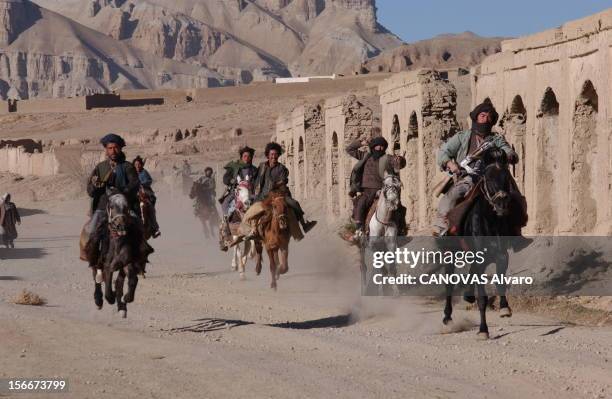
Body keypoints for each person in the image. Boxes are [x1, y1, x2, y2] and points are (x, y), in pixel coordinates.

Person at [433, 100, 518, 236]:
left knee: (515, 196)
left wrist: (509, 155)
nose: (485, 119)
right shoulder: (462, 137)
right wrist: (451, 164)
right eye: (482, 116)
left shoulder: (496, 139)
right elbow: (444, 153)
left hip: (491, 177)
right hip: (468, 177)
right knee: (449, 199)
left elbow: (507, 150)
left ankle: (516, 232)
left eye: (489, 117)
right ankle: (441, 230)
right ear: (476, 117)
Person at [235, 142, 316, 244]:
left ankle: (304, 225)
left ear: (278, 155)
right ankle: (252, 230)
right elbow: (256, 179)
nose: (273, 156)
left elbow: (283, 180)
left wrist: (277, 184)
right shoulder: (262, 166)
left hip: (279, 194)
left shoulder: (282, 168)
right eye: (271, 154)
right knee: (252, 209)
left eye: (275, 154)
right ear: (268, 155)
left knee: (294, 204)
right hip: (264, 196)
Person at [82, 133, 142, 267]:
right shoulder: (100, 168)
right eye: (110, 148)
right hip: (104, 207)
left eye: (115, 148)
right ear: (106, 150)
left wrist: (122, 193)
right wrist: (96, 186)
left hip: (123, 206)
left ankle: (139, 257)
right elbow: (90, 191)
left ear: (120, 148)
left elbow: (134, 184)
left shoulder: (127, 167)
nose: (113, 151)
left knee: (138, 227)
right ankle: (93, 260)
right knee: (91, 230)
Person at [346, 136, 407, 240]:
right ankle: (359, 230)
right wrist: (361, 142)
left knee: (399, 208)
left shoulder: (387, 158)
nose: (380, 149)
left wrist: (399, 160)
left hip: (382, 190)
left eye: (382, 147)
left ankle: (401, 229)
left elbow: (399, 163)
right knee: (360, 204)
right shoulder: (365, 156)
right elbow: (349, 149)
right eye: (378, 146)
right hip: (367, 191)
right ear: (373, 146)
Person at [219, 146, 258, 216]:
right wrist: (231, 180)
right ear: (241, 157)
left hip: (250, 193)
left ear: (251, 158)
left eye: (249, 156)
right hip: (235, 192)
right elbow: (225, 178)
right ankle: (225, 222)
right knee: (225, 204)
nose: (247, 158)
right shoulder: (234, 167)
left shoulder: (254, 170)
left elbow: (257, 181)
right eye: (245, 156)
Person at [133, 156, 160, 238]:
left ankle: (154, 228)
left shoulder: (144, 172)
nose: (137, 166)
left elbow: (149, 181)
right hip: (134, 194)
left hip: (145, 194)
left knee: (150, 208)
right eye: (136, 164)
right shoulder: (131, 173)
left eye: (139, 164)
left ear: (141, 165)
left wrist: (141, 184)